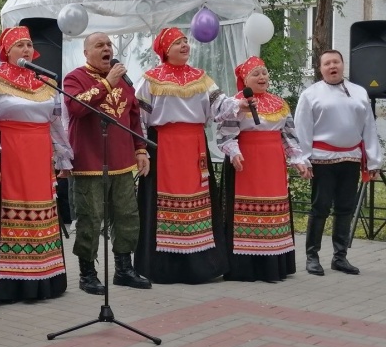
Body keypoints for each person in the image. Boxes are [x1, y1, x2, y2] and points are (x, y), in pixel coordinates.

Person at [133, 27, 244, 285]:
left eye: (185, 41)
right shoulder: (151, 80)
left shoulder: (201, 78)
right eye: (177, 43)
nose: (184, 45)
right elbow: (138, 117)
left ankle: (200, 266)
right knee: (161, 202)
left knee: (199, 200)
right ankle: (162, 267)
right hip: (163, 146)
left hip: (194, 146)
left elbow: (219, 105)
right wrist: (141, 149)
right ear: (165, 50)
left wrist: (239, 104)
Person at [0, 26, 72, 301]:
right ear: (6, 51)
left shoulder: (45, 81)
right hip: (10, 150)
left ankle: (46, 277)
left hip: (40, 154)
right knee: (13, 209)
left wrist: (63, 156)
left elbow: (56, 122)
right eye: (19, 45)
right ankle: (13, 282)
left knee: (43, 210)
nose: (26, 49)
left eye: (29, 45)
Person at [63, 32, 152, 295]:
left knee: (127, 215)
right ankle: (87, 274)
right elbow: (76, 108)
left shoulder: (123, 80)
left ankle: (124, 269)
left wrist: (141, 150)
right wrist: (107, 83)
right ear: (86, 52)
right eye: (99, 45)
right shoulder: (74, 78)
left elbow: (134, 118)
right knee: (90, 218)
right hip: (89, 162)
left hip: (123, 161)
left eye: (109, 44)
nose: (107, 49)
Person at [294, 49, 383, 276]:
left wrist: (374, 161)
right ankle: (312, 257)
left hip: (351, 158)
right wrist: (302, 159)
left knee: (345, 208)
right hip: (322, 160)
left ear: (343, 65)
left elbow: (369, 128)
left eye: (336, 62)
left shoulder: (359, 92)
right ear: (320, 68)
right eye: (327, 63)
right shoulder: (311, 94)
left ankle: (340, 257)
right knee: (320, 208)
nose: (332, 66)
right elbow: (302, 128)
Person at [217, 56, 306, 282]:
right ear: (245, 80)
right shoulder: (236, 103)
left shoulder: (280, 103)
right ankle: (245, 266)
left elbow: (288, 135)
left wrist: (298, 159)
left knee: (274, 208)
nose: (262, 77)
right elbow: (226, 133)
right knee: (246, 209)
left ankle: (273, 265)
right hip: (246, 161)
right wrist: (234, 152)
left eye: (264, 73)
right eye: (255, 74)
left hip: (273, 163)